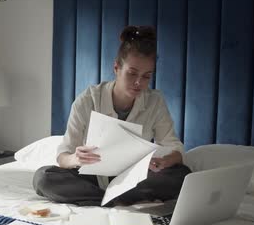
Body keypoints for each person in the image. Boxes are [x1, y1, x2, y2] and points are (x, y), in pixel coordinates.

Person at [33, 25, 191, 206]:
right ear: (116, 67)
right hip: (92, 177)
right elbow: (63, 156)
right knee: (43, 178)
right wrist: (75, 158)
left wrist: (164, 161)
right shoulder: (88, 99)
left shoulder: (155, 101)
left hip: (134, 179)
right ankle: (111, 199)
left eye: (146, 76)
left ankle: (107, 198)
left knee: (182, 175)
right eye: (132, 73)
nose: (139, 82)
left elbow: (174, 147)